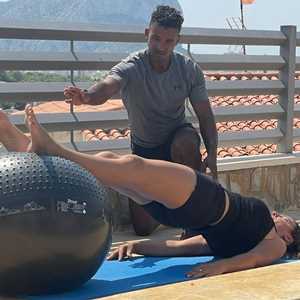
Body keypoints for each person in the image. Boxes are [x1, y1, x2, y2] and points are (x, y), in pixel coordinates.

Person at [1, 107, 299, 278]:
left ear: (289, 236)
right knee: (108, 160)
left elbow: (252, 261)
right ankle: (22, 143)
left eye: (285, 219)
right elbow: (177, 247)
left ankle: (52, 151)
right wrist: (138, 247)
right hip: (184, 210)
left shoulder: (275, 245)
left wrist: (220, 267)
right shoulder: (225, 242)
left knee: (132, 165)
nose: (277, 214)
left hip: (205, 199)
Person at [63, 5, 218, 236]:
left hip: (177, 141)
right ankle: (173, 210)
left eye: (168, 41)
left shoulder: (189, 69)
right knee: (143, 229)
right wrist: (87, 97)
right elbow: (107, 87)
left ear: (177, 40)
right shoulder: (132, 66)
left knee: (185, 141)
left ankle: (194, 218)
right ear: (147, 33)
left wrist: (213, 157)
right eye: (156, 38)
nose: (161, 46)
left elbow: (205, 115)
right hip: (145, 149)